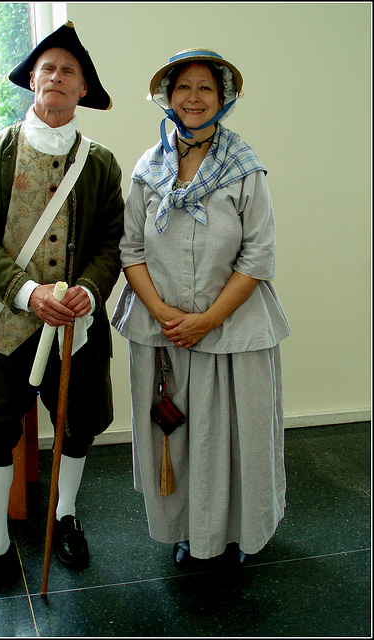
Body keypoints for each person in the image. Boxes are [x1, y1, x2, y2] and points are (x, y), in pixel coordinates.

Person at [0, 21, 124, 602]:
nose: (55, 76)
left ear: (82, 90)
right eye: (47, 68)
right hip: (10, 322)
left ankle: (65, 515)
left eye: (67, 71)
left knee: (79, 421)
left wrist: (87, 293)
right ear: (32, 82)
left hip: (78, 322)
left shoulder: (100, 164)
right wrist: (27, 292)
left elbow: (111, 244)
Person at [112, 48, 291, 570]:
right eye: (183, 87)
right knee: (180, 437)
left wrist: (209, 318)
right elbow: (131, 250)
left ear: (223, 98)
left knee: (238, 435)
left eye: (205, 88)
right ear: (167, 98)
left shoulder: (244, 168)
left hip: (234, 330)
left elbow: (259, 255)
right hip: (162, 331)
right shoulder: (149, 169)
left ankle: (238, 533)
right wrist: (165, 313)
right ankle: (189, 531)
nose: (193, 97)